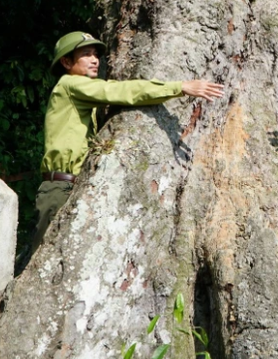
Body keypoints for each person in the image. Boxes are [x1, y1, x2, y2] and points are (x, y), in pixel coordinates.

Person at [24, 31, 224, 264]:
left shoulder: (78, 92)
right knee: (42, 260)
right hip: (60, 188)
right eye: (86, 54)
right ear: (67, 62)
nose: (94, 59)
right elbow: (119, 91)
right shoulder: (70, 83)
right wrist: (179, 87)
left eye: (96, 54)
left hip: (72, 185)